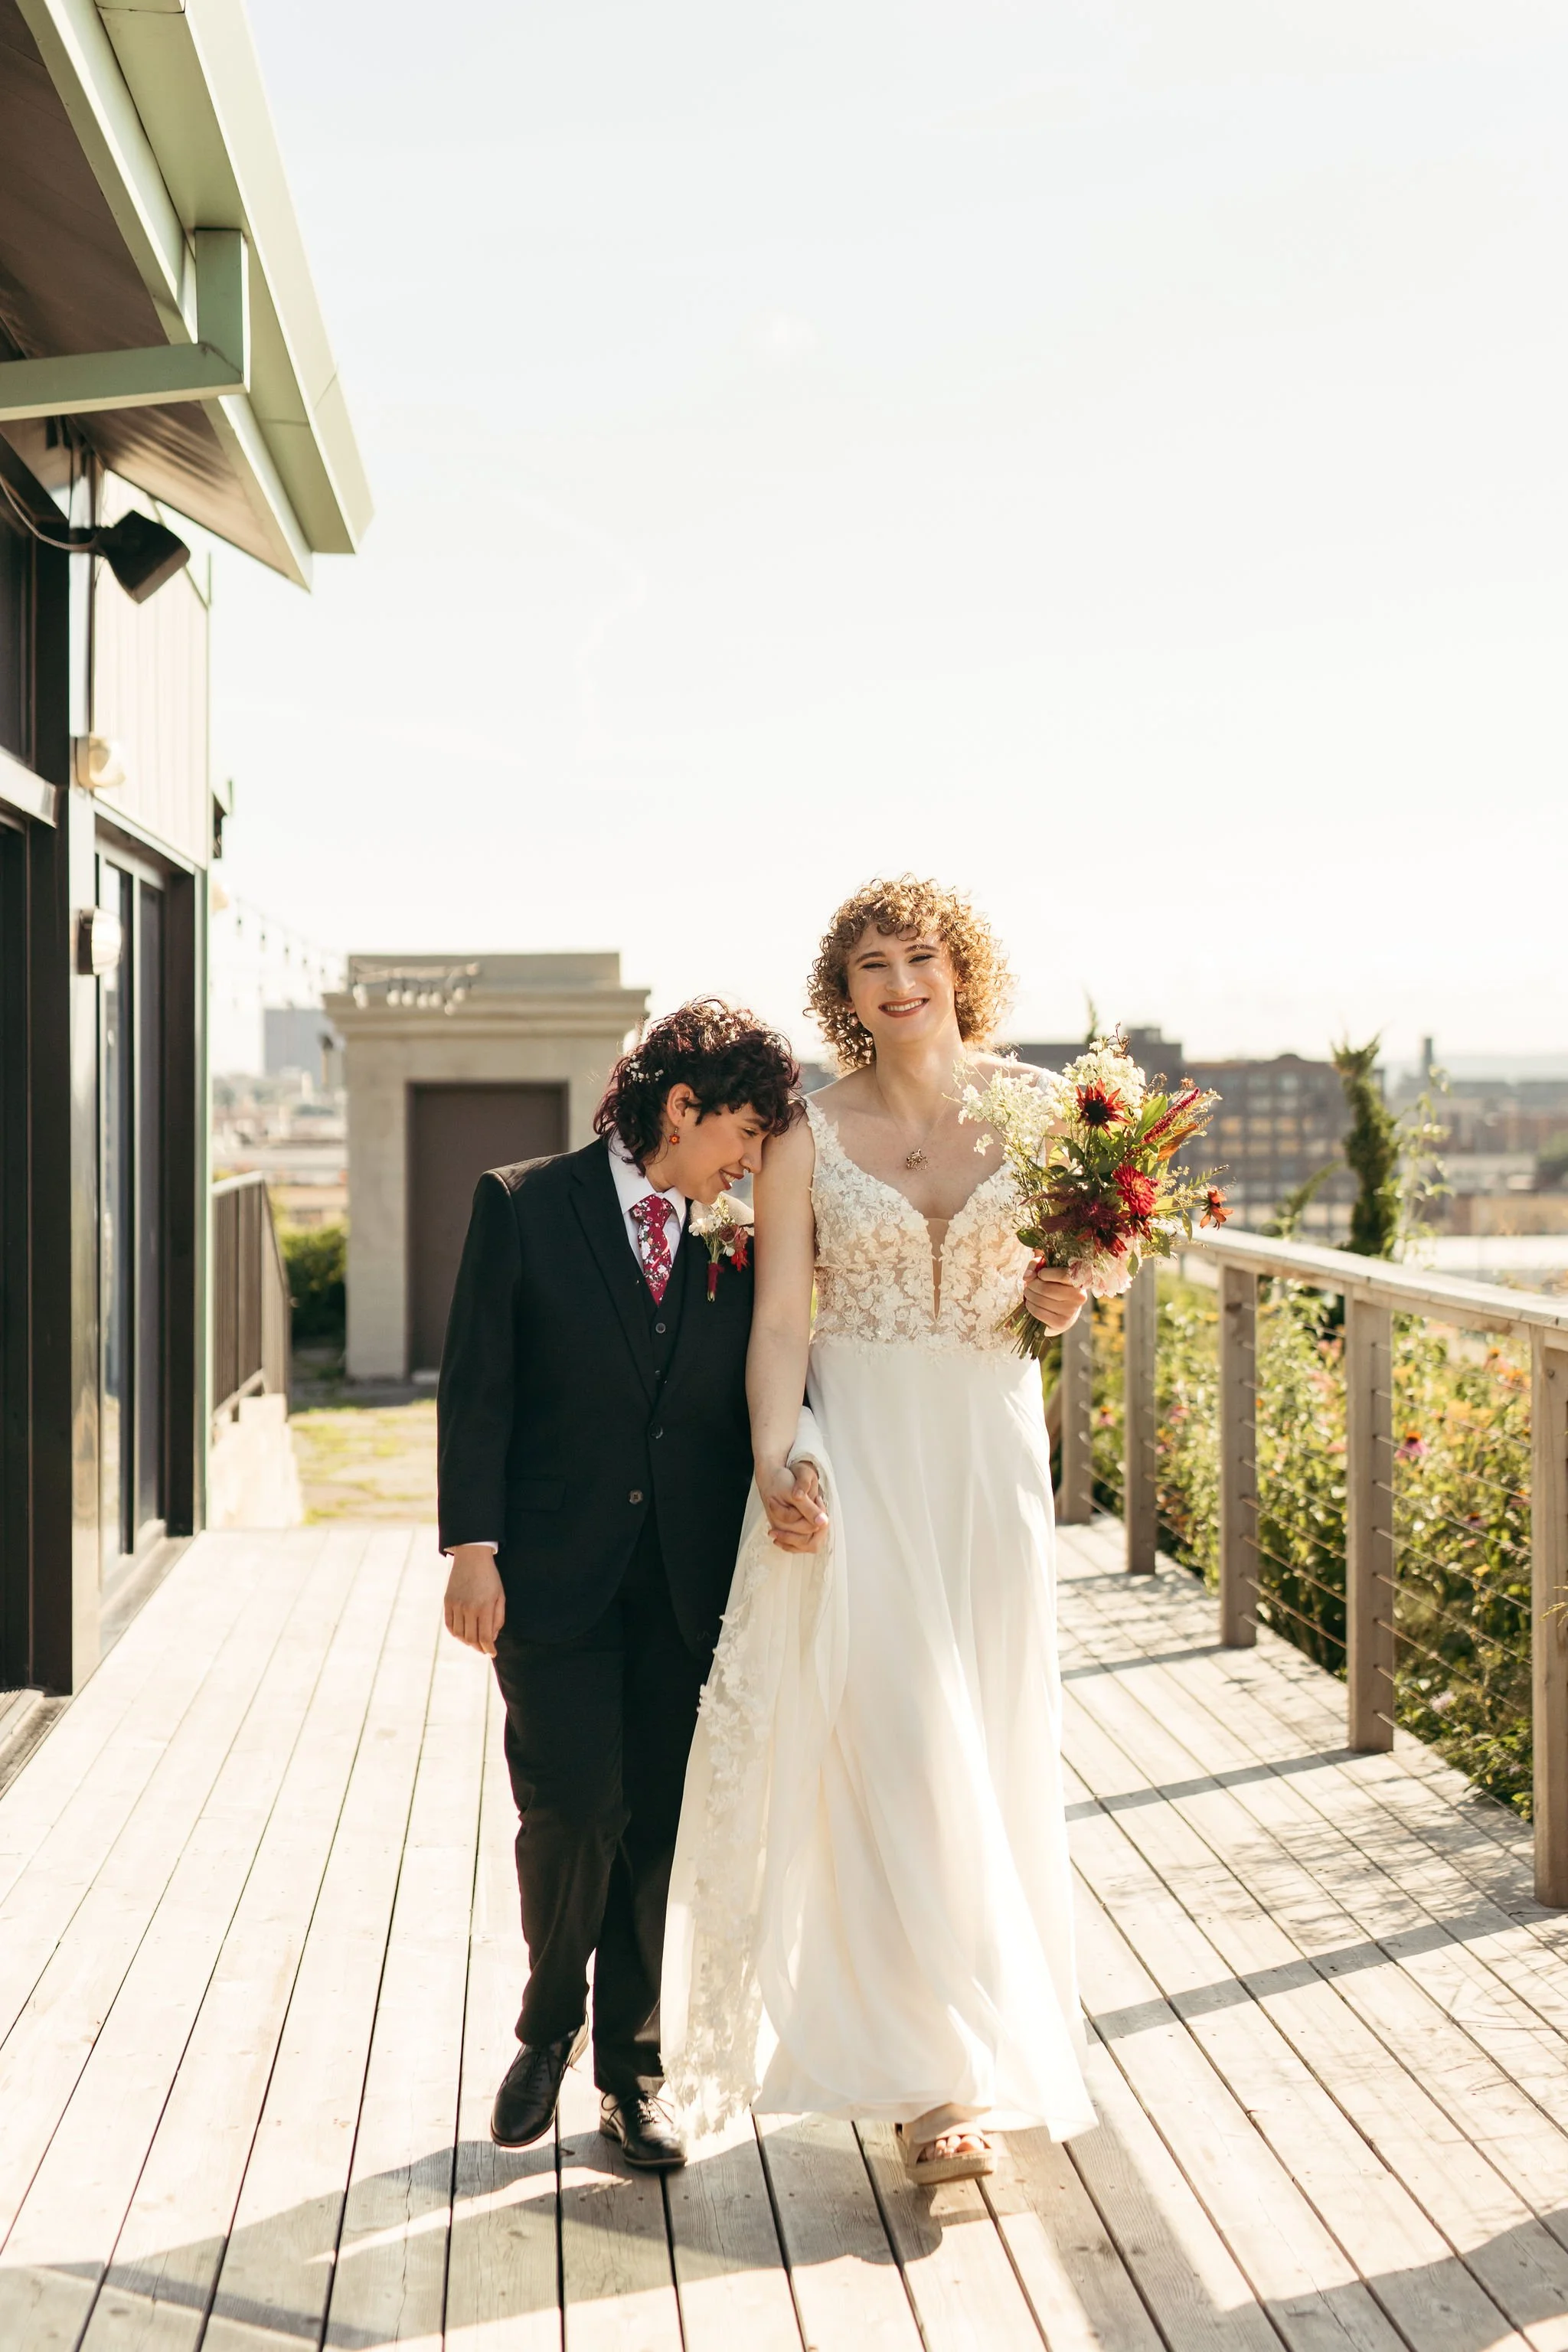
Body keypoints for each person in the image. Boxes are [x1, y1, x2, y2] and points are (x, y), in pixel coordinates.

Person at [663, 879, 1097, 2184]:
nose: (899, 982)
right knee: (903, 1742)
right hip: (861, 1455)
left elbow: (1072, 1288)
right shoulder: (802, 1127)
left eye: (920, 957)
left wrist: (1072, 1299)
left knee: (994, 1740)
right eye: (869, 966)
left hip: (988, 1462)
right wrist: (771, 1450)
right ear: (840, 996)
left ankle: (987, 2041)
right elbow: (781, 1318)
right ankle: (936, 2083)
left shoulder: (1045, 1114)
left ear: (962, 969)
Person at [438, 1001, 820, 2171]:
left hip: (688, 1573)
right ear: (680, 1106)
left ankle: (630, 2076)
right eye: (743, 1132)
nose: (751, 1161)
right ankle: (548, 2027)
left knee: (654, 1825)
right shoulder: (522, 1204)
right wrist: (473, 1549)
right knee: (570, 1814)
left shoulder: (739, 1232)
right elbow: (480, 1387)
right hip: (550, 1573)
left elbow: (784, 1352)